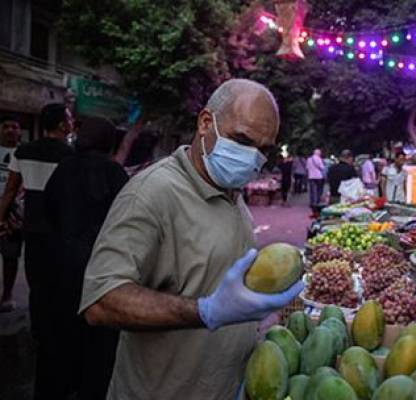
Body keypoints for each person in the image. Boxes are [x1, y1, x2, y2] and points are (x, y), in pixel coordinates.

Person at [78, 79, 302, 400]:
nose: (252, 157)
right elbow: (101, 301)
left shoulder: (231, 193)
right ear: (205, 123)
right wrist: (206, 311)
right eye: (242, 139)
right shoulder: (151, 193)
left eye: (263, 149)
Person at [44, 117, 129, 399]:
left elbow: (50, 212)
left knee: (59, 342)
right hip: (102, 274)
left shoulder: (63, 170)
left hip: (61, 269)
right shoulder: (115, 174)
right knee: (98, 350)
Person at [0, 103, 74, 398]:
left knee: (37, 283)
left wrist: (1, 218)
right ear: (60, 125)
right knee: (60, 285)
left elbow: (9, 191)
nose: (71, 123)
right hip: (60, 231)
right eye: (68, 119)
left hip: (32, 231)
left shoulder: (23, 152)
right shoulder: (70, 156)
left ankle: (39, 331)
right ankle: (56, 337)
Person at [0, 115, 22, 312]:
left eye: (14, 127)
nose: (9, 130)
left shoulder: (24, 153)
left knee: (10, 257)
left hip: (12, 216)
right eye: (5, 126)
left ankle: (7, 295)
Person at [306, 148, 325, 214]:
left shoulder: (309, 159)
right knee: (319, 190)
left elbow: (307, 168)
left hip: (311, 176)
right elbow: (322, 167)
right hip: (318, 176)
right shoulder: (319, 159)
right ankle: (317, 202)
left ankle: (312, 203)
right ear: (319, 153)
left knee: (312, 190)